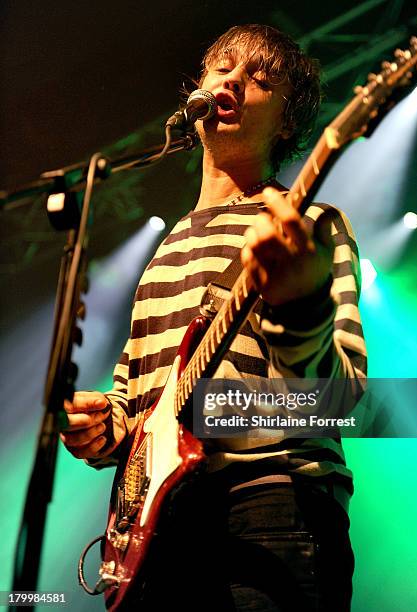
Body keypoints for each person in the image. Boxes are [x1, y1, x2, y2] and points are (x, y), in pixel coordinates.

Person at [61, 24, 366, 611]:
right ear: (198, 90)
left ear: (284, 122)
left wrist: (300, 308)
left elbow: (344, 395)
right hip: (159, 537)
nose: (233, 78)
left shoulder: (311, 226)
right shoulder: (165, 250)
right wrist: (103, 429)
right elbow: (139, 409)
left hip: (272, 509)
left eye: (259, 78)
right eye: (222, 67)